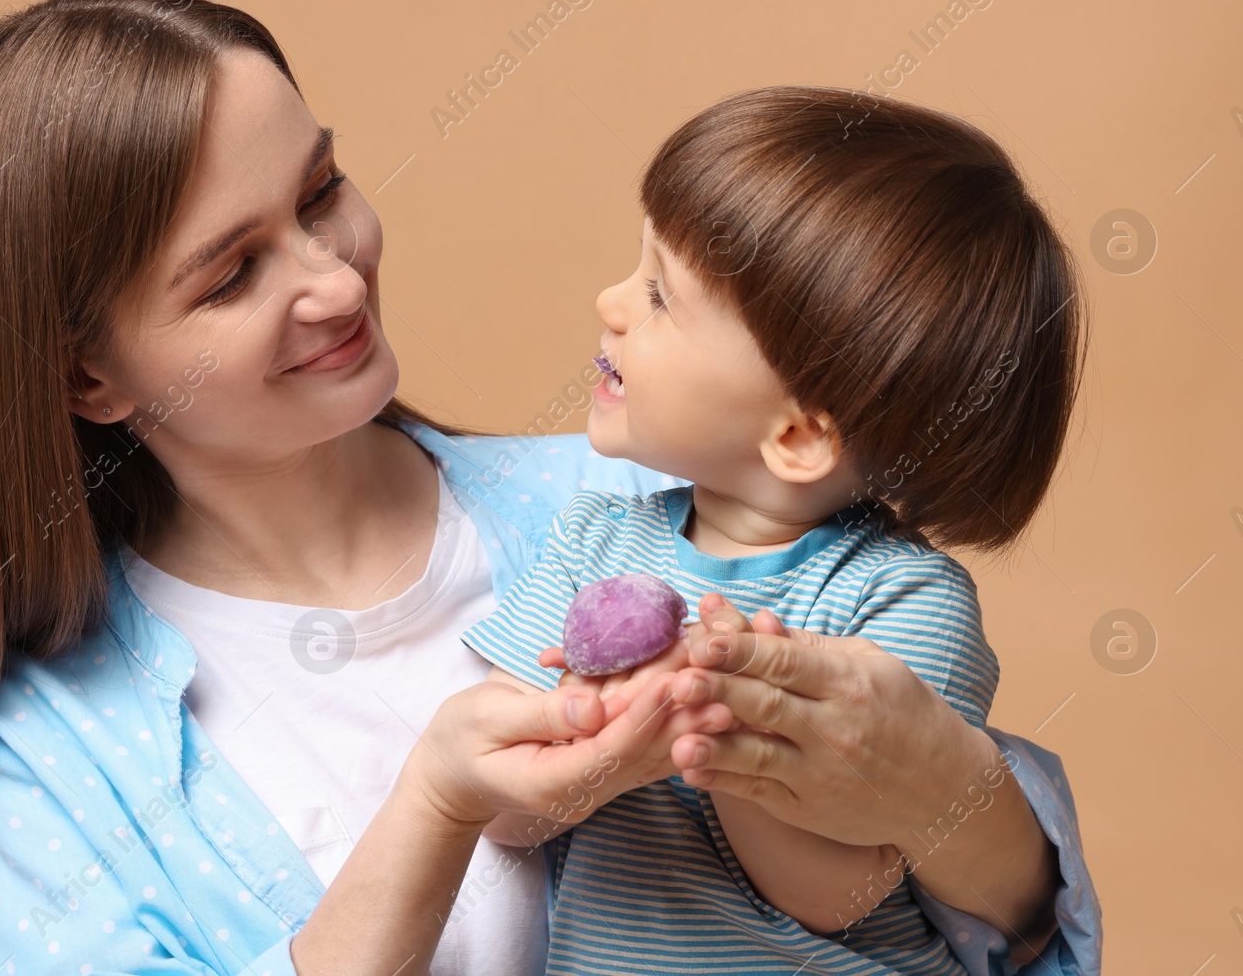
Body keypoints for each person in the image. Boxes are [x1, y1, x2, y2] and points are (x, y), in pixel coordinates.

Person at [0, 0, 1097, 976]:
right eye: (230, 274)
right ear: (88, 380)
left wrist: (943, 789)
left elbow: (1011, 931)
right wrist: (434, 803)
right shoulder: (34, 763)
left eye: (321, 192)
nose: (333, 280)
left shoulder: (626, 502)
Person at [464, 86, 1096, 974]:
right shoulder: (592, 542)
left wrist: (724, 725)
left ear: (796, 436)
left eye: (659, 295)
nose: (609, 301)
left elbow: (836, 895)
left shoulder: (903, 598)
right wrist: (607, 722)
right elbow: (503, 810)